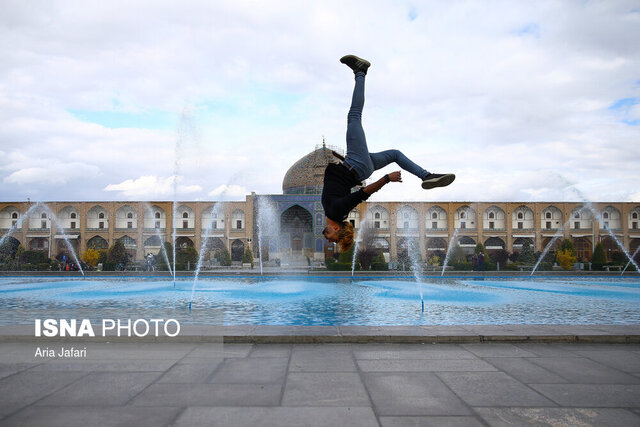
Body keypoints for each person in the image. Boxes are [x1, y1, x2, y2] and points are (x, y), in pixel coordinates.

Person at [322, 55, 455, 252]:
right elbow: (362, 194)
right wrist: (387, 178)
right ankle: (360, 72)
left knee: (394, 154)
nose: (329, 239)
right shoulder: (336, 211)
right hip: (356, 164)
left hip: (357, 166)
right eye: (333, 239)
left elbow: (345, 188)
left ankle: (427, 176)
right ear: (335, 228)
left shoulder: (334, 212)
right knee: (354, 117)